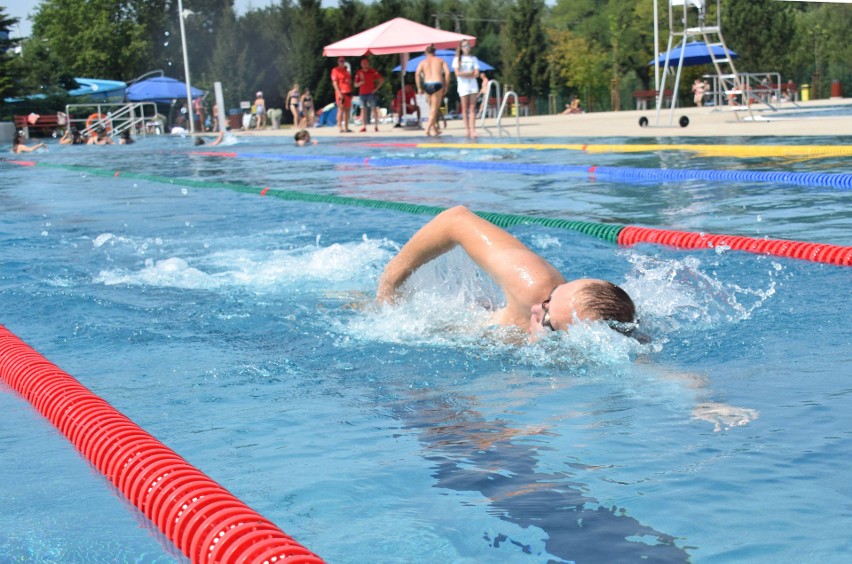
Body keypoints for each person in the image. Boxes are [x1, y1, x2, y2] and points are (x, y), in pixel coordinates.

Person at [376, 206, 636, 337]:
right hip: (440, 321)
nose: (538, 307)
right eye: (552, 297)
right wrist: (391, 281)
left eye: (546, 320)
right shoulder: (533, 285)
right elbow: (455, 219)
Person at [415, 45, 450, 137]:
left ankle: (434, 129)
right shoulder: (440, 61)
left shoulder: (422, 62)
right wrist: (446, 85)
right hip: (437, 84)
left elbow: (417, 74)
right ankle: (427, 129)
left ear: (425, 53)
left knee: (432, 109)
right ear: (435, 52)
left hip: (427, 85)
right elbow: (448, 72)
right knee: (434, 109)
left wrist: (419, 87)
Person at [452, 40, 480, 139]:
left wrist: (466, 74)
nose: (467, 47)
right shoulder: (457, 59)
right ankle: (467, 129)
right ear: (461, 48)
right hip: (463, 86)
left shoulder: (474, 59)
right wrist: (470, 73)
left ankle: (473, 129)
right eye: (464, 46)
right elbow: (457, 73)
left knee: (472, 108)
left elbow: (477, 73)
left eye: (468, 45)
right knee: (464, 108)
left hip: (472, 86)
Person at [354, 57, 384, 133]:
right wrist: (361, 82)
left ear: (368, 64)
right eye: (363, 64)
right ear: (361, 64)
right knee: (363, 110)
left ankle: (376, 126)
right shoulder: (359, 72)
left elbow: (381, 80)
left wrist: (376, 89)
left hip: (371, 92)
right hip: (362, 93)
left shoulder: (372, 71)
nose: (364, 65)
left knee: (374, 109)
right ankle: (364, 126)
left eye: (366, 63)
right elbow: (355, 85)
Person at [331, 57, 353, 133]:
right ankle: (340, 126)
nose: (342, 63)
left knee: (347, 110)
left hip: (348, 91)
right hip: (341, 92)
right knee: (340, 109)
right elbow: (334, 83)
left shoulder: (346, 71)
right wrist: (339, 92)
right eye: (340, 61)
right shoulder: (335, 70)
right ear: (338, 62)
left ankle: (346, 127)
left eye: (343, 61)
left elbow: (349, 82)